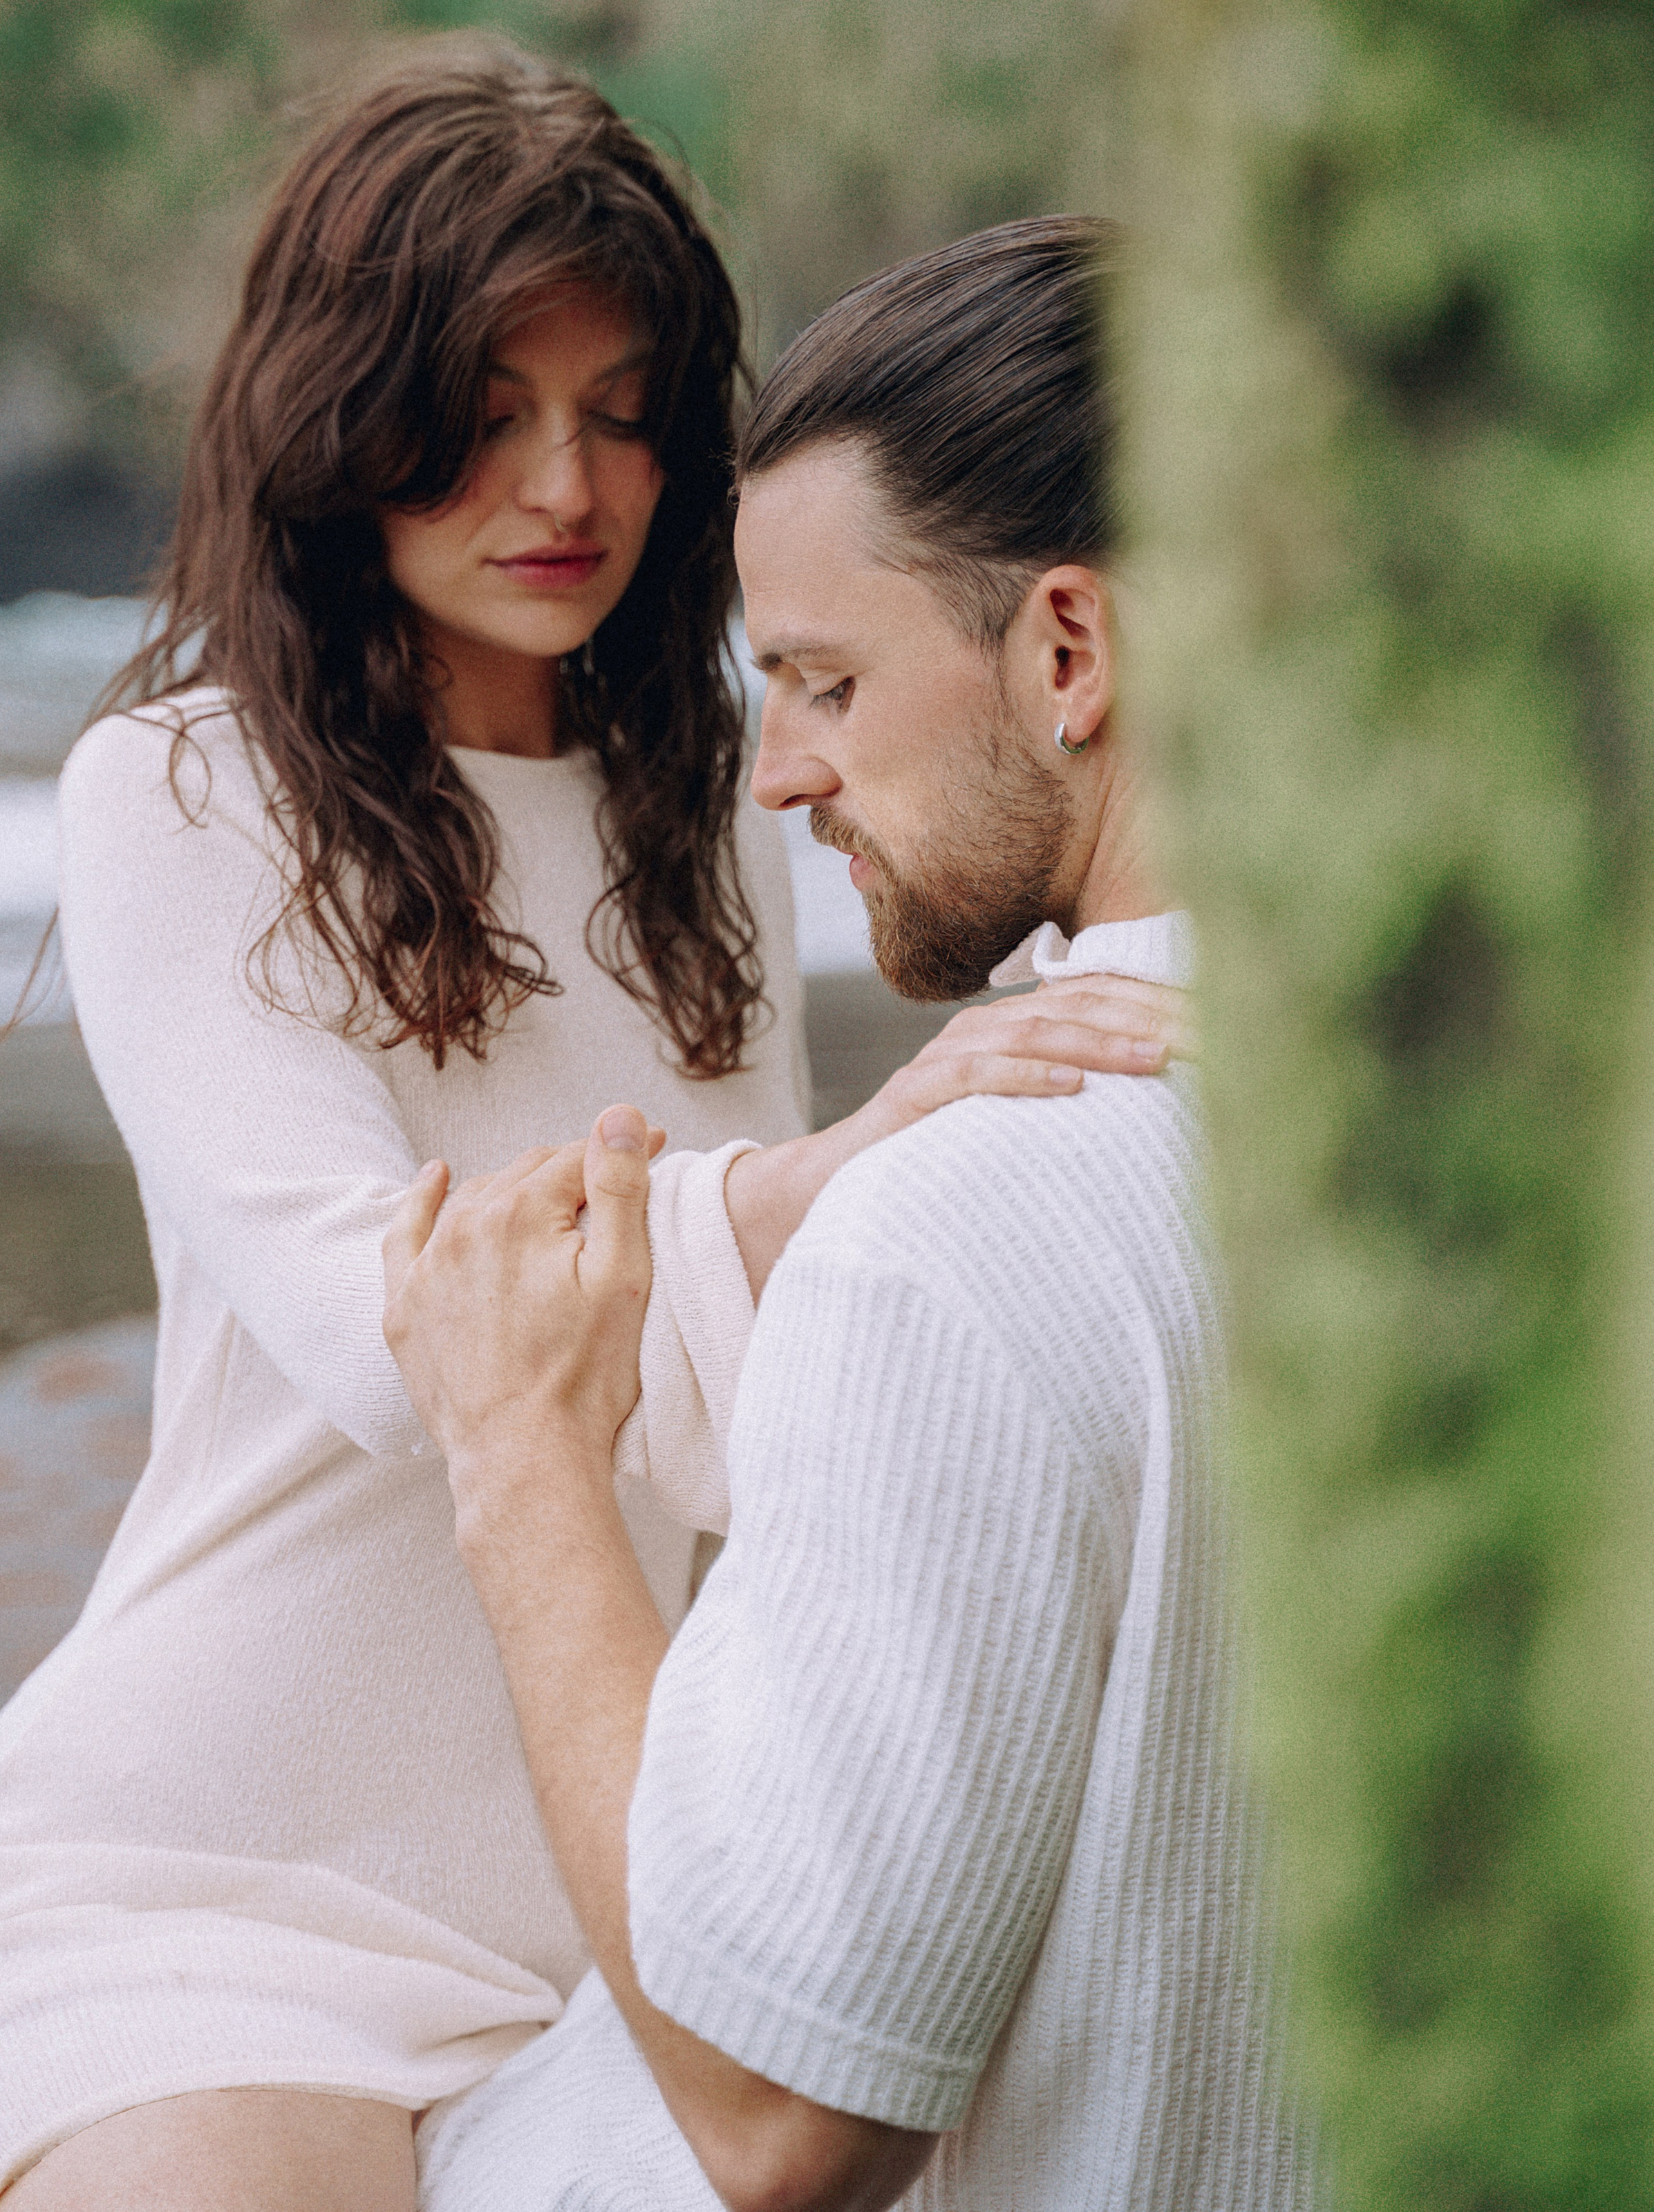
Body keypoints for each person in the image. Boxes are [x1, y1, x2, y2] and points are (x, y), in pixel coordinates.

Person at [0, 46, 1181, 2212]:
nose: (565, 482)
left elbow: (729, 1415)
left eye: (622, 404)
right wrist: (842, 1177)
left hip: (628, 1879)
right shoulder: (185, 794)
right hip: (210, 1889)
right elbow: (380, 1332)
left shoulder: (714, 817)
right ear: (336, 418)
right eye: (482, 413)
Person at [381, 216, 1320, 2211]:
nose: (780, 775)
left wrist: (523, 1459)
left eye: (821, 679)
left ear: (1071, 652)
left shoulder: (957, 1241)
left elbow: (783, 2118)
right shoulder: (1517, 1115)